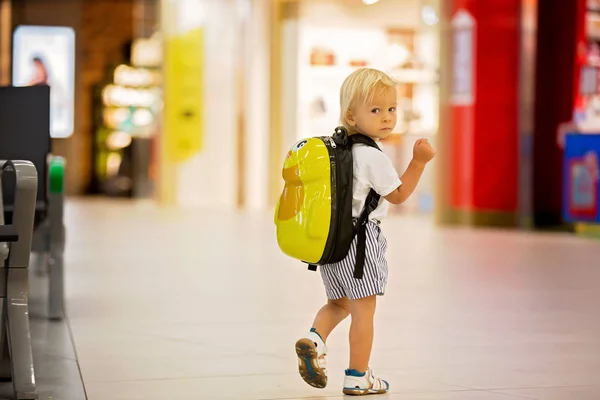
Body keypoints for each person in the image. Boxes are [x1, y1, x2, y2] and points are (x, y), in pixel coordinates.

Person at [295, 68, 436, 396]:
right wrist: (418, 162)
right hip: (360, 244)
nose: (387, 118)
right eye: (376, 110)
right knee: (364, 311)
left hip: (332, 243)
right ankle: (358, 375)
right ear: (351, 115)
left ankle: (315, 338)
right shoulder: (372, 156)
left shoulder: (339, 150)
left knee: (339, 302)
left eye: (392, 109)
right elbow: (398, 196)